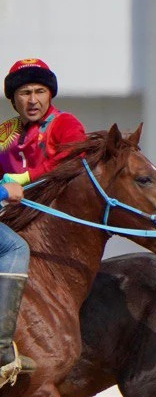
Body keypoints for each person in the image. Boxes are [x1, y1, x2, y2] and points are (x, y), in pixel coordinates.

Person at [0, 58, 87, 372]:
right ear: (14, 99)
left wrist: (24, 178)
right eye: (24, 93)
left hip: (52, 221)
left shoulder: (65, 124)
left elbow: (73, 161)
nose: (32, 100)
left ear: (50, 95)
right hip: (14, 216)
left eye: (39, 91)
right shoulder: (5, 133)